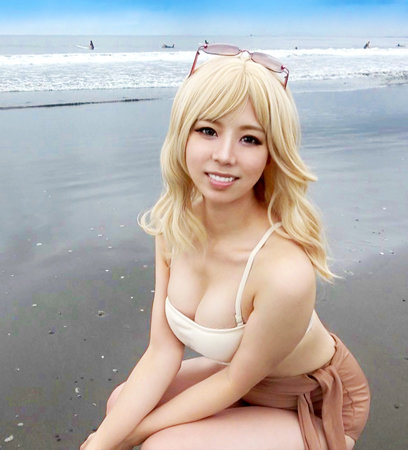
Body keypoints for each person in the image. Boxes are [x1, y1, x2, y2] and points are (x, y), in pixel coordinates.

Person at [81, 43, 370, 450]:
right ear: (182, 135)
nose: (224, 155)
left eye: (250, 139)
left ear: (272, 154)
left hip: (313, 403)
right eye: (208, 130)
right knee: (120, 404)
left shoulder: (283, 271)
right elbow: (162, 352)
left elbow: (235, 381)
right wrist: (102, 441)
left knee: (164, 445)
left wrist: (128, 436)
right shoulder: (174, 226)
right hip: (243, 380)